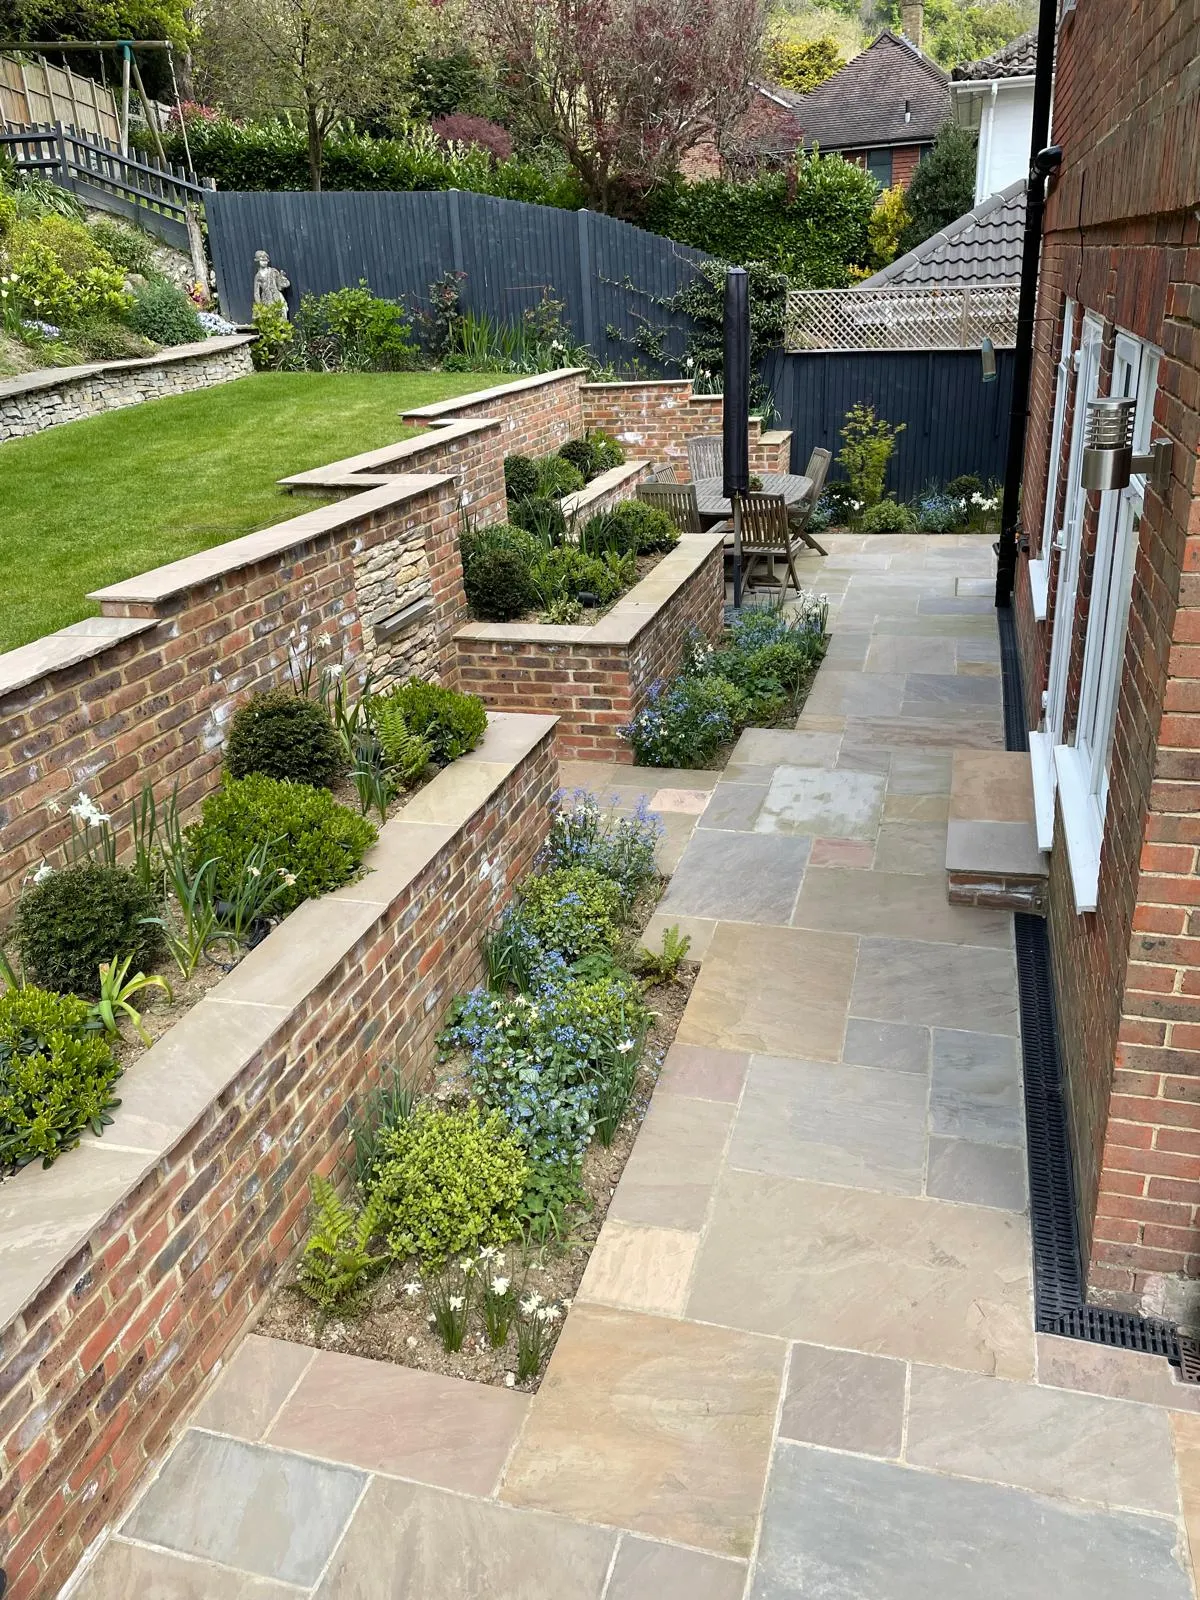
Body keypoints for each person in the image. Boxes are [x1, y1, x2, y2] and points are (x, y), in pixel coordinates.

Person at [252, 250, 290, 317]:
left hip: (277, 297)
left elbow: (280, 286)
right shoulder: (258, 276)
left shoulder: (273, 271)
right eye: (262, 260)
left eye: (266, 260)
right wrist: (259, 306)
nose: (264, 262)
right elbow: (256, 293)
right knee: (271, 317)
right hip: (267, 300)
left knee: (281, 315)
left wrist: (282, 278)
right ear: (258, 261)